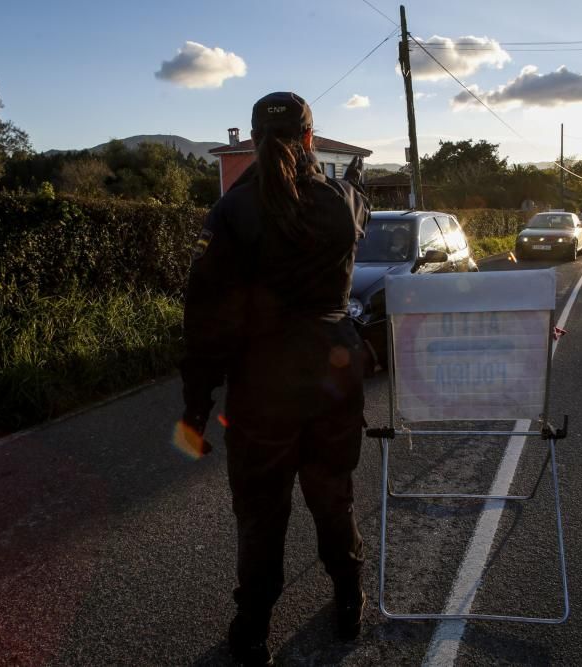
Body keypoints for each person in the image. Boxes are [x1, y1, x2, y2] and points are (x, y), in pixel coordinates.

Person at [176, 92, 370, 667]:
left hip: (263, 390)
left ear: (254, 143)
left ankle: (254, 630)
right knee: (333, 498)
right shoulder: (341, 203)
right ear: (311, 140)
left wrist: (195, 407)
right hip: (334, 379)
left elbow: (205, 319)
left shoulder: (233, 211)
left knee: (262, 514)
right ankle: (348, 598)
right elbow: (355, 204)